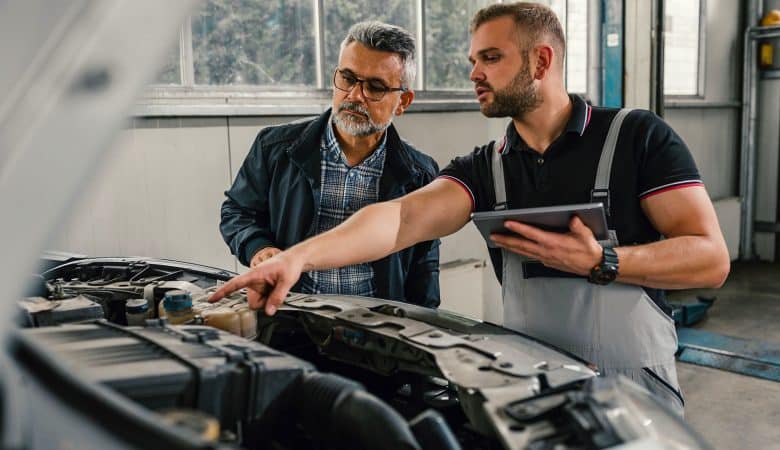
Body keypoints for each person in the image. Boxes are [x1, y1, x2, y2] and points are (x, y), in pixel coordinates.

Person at [212, 3, 730, 415]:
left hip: (635, 387)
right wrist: (297, 258)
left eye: (490, 58)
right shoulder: (488, 168)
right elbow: (399, 219)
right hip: (532, 385)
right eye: (472, 61)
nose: (474, 74)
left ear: (541, 61)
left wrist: (603, 262)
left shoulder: (637, 137)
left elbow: (710, 259)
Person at [219, 21, 440, 307]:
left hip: (377, 328)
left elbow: (424, 266)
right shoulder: (274, 148)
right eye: (347, 78)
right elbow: (237, 211)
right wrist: (259, 248)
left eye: (375, 87)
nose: (355, 96)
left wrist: (423, 330)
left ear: (403, 102)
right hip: (290, 316)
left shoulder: (419, 174)